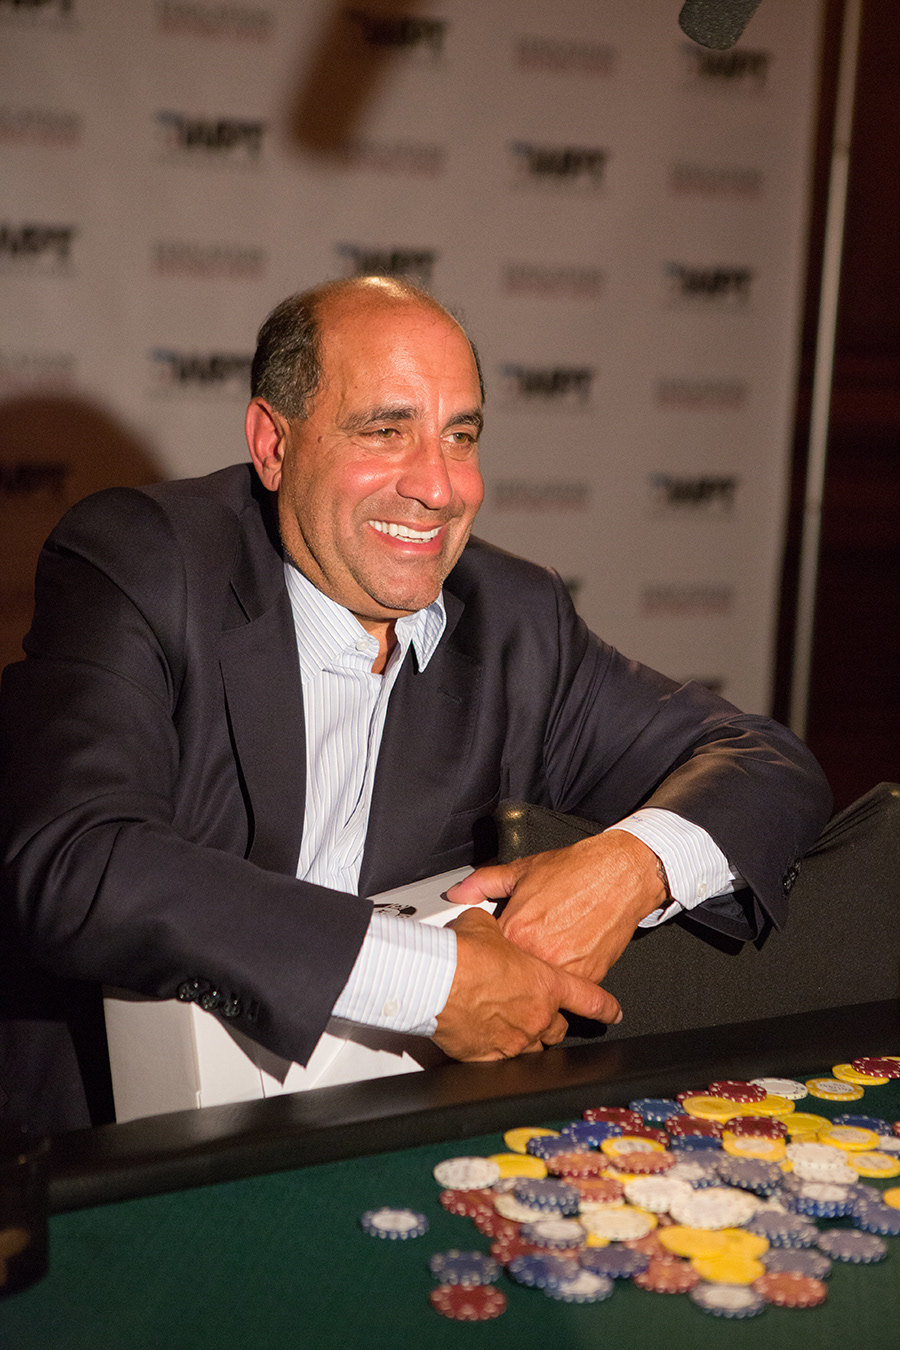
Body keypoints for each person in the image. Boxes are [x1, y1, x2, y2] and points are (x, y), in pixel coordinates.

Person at [0, 277, 832, 1131]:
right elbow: (77, 861)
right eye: (385, 430)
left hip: (396, 1135)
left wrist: (630, 868)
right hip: (115, 1149)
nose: (438, 486)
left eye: (459, 436)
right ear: (273, 445)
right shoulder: (146, 562)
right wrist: (433, 980)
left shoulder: (518, 622)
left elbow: (764, 761)